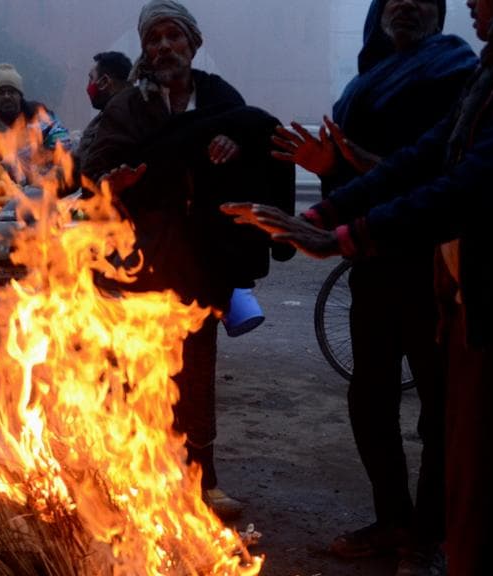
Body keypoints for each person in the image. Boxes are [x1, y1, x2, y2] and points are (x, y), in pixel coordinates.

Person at [223, 0, 493, 572]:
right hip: (432, 283)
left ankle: (427, 538)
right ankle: (397, 523)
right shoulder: (489, 66)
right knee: (382, 408)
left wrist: (345, 233)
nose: (469, 2)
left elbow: (466, 182)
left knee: (483, 489)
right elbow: (418, 158)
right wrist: (324, 209)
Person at [269, 1, 477, 572]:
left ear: (440, 16)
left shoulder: (457, 72)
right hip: (374, 265)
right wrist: (326, 167)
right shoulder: (364, 87)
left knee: (439, 406)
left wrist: (356, 164)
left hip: (433, 264)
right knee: (370, 398)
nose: (406, 5)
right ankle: (392, 519)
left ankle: (429, 535)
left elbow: (437, 172)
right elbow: (357, 176)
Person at [82, 0, 295, 521]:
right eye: (153, 39)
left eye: (172, 36)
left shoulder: (222, 98)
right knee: (136, 374)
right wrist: (114, 183)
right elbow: (93, 170)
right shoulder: (128, 107)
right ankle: (140, 481)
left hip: (203, 259)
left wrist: (235, 145)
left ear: (193, 44)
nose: (163, 47)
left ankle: (203, 480)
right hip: (141, 260)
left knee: (195, 374)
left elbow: (259, 145)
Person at [0, 62, 72, 152]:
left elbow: (61, 135)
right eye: (1, 92)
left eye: (11, 91)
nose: (6, 96)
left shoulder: (36, 111)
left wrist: (44, 148)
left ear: (20, 94)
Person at [74, 51, 133, 171]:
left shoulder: (116, 118)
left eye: (91, 78)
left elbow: (85, 168)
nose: (88, 86)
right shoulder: (128, 107)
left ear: (104, 82)